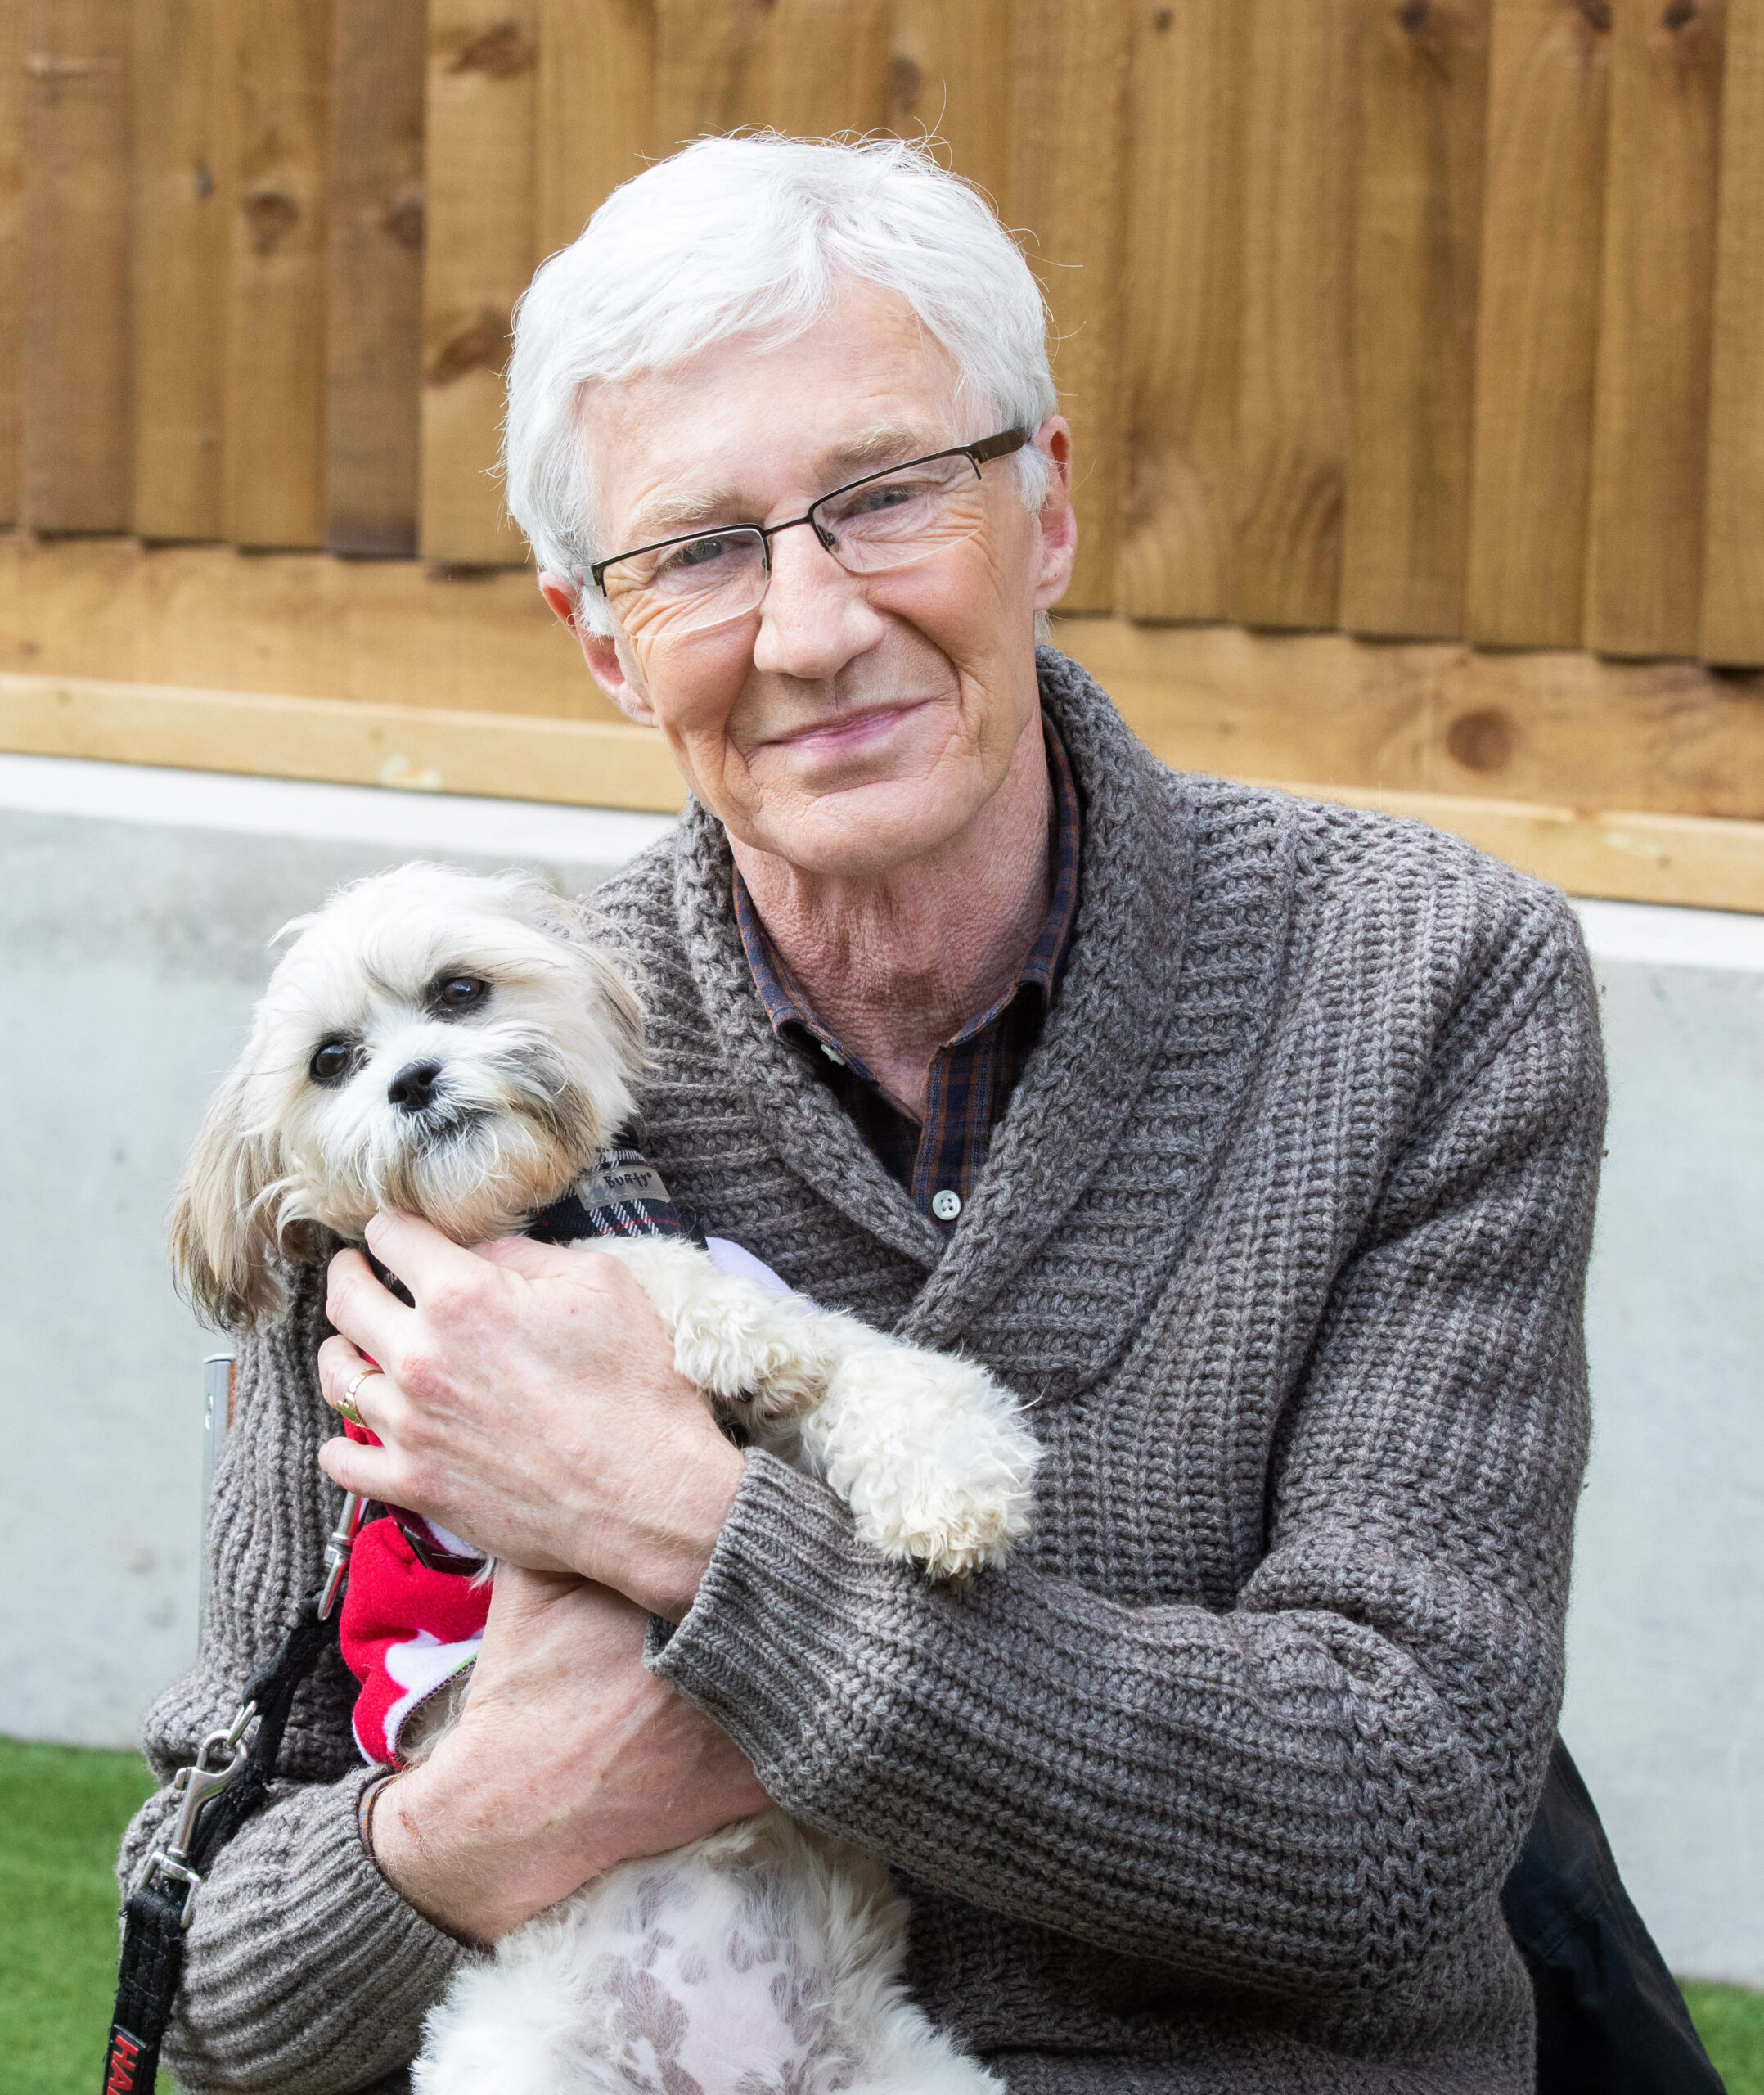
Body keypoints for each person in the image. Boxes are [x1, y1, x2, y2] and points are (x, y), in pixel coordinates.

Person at [121, 135, 1607, 2093]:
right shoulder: (455, 1089)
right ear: (601, 638)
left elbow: (1388, 1819)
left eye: (887, 495)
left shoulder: (1424, 978)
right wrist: (500, 1808)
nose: (812, 627)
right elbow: (202, 1973)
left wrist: (690, 1539)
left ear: (1046, 506)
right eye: (699, 550)